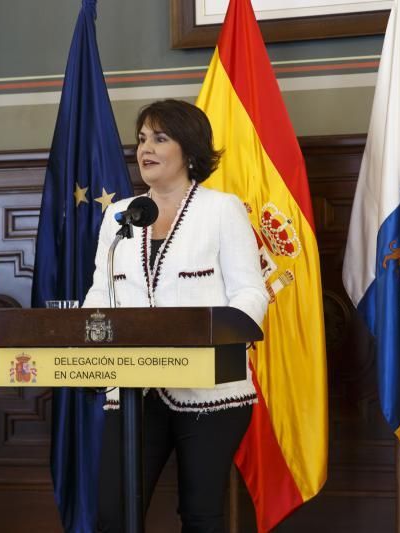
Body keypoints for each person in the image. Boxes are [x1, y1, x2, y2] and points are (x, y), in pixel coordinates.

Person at [83, 99, 269, 532]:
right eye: (142, 139)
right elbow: (101, 291)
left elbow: (248, 292)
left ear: (189, 149)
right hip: (132, 387)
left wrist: (217, 337)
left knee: (201, 516)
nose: (145, 148)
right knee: (113, 514)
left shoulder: (222, 210)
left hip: (209, 391)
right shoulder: (118, 216)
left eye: (160, 139)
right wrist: (86, 335)